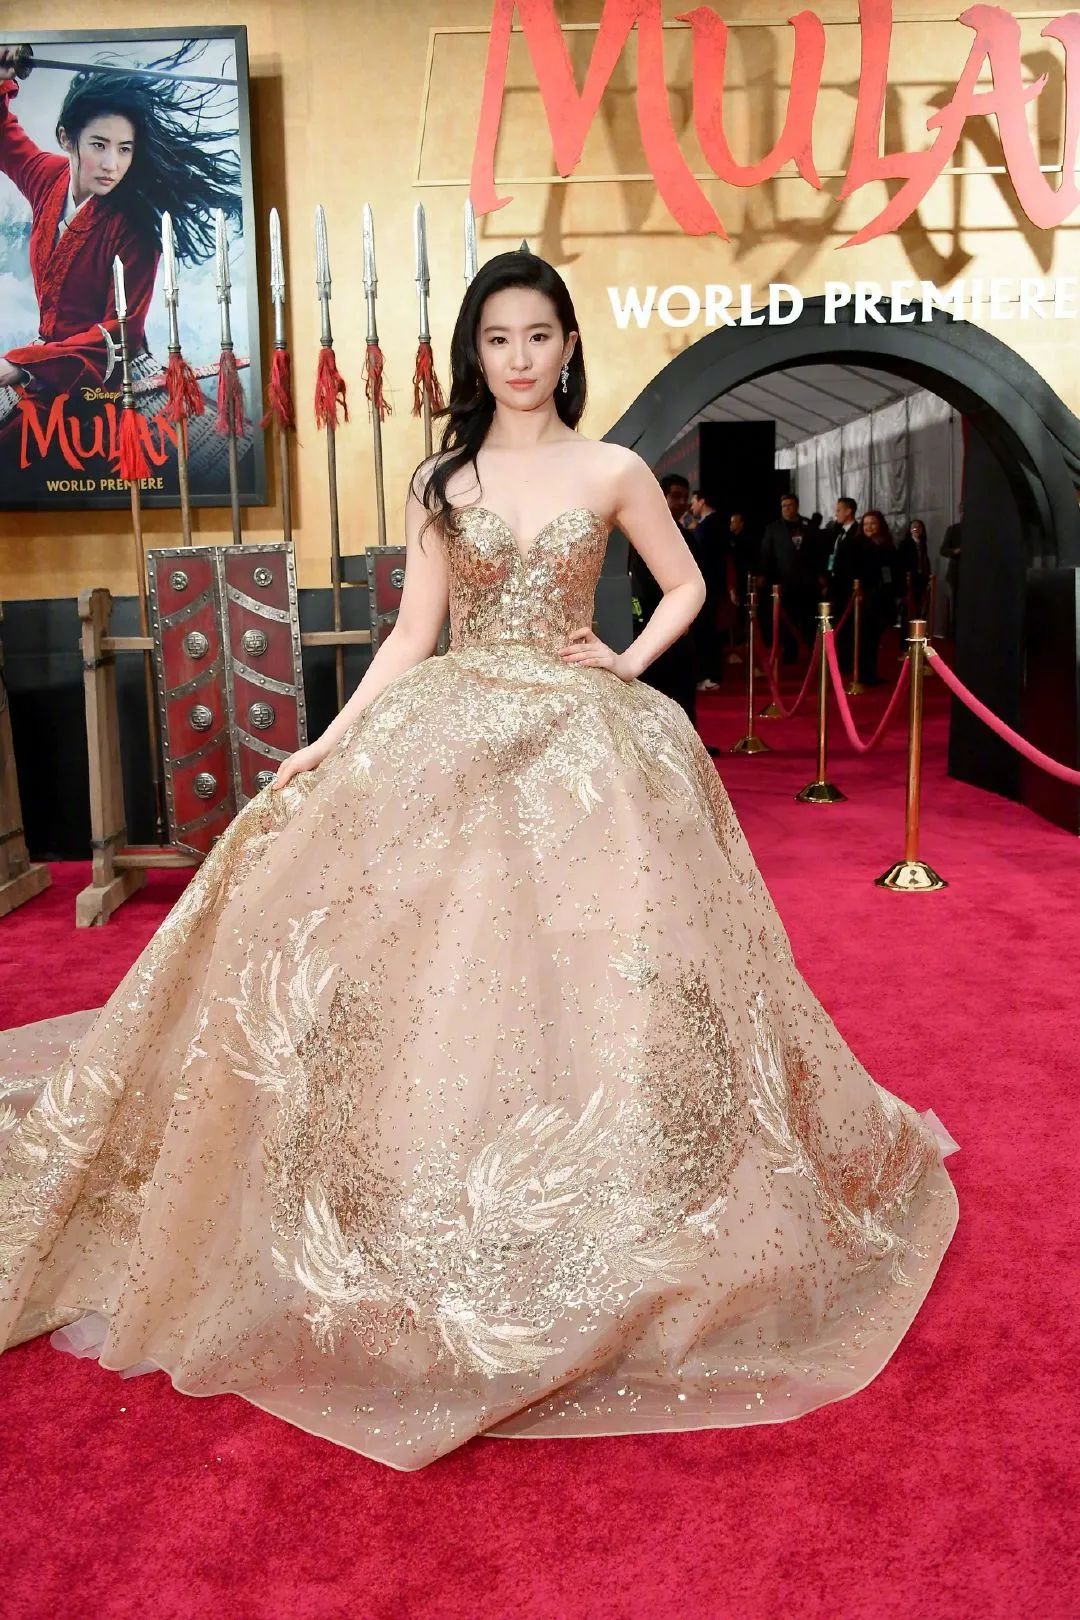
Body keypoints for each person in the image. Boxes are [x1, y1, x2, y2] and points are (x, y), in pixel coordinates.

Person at [0, 252, 959, 1474]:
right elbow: (414, 634)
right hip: (451, 731)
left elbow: (687, 586)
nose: (518, 357)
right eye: (498, 338)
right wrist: (329, 743)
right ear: (477, 352)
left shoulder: (611, 469)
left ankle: (621, 1197)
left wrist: (625, 663)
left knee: (614, 969)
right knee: (417, 959)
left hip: (584, 740)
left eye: (538, 335)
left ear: (568, 346)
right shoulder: (442, 478)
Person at [0, 45, 240, 419]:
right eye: (99, 145)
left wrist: (25, 365)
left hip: (109, 375)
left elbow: (120, 331)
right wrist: (3, 78)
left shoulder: (135, 225)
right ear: (67, 139)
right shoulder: (47, 177)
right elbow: (4, 135)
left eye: (124, 149)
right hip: (46, 365)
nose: (112, 164)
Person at [628, 472, 698, 723]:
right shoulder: (641, 534)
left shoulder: (688, 536)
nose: (681, 503)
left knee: (684, 694)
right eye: (675, 496)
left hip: (684, 628)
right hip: (651, 624)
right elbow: (641, 582)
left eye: (685, 497)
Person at [757, 493, 819, 662]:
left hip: (807, 583)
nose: (786, 509)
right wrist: (762, 574)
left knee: (809, 619)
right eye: (783, 506)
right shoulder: (773, 528)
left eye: (790, 505)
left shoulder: (809, 526)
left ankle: (812, 653)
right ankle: (789, 652)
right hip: (784, 582)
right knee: (787, 620)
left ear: (797, 506)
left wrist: (821, 575)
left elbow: (817, 552)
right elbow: (765, 554)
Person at [688, 488, 728, 692]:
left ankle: (710, 675)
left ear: (702, 501)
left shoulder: (710, 525)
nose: (691, 506)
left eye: (693, 501)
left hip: (707, 587)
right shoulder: (709, 524)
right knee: (706, 631)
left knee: (706, 632)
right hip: (709, 586)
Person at [857, 509, 899, 684]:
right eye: (866, 524)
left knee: (875, 637)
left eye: (873, 523)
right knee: (864, 637)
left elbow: (891, 570)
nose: (869, 527)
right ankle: (863, 675)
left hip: (883, 596)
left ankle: (871, 673)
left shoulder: (887, 545)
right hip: (865, 597)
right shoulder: (858, 546)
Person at [823, 497, 861, 672]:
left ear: (849, 511)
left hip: (849, 587)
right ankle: (840, 659)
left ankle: (848, 661)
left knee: (848, 626)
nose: (836, 514)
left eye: (839, 510)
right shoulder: (839, 532)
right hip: (836, 585)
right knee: (838, 623)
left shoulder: (857, 532)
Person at [940, 512, 962, 639]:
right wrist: (955, 551)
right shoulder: (954, 529)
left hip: (975, 574)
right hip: (956, 574)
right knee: (957, 605)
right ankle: (955, 634)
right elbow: (943, 550)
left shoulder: (979, 529)